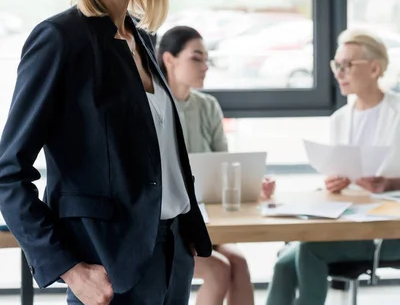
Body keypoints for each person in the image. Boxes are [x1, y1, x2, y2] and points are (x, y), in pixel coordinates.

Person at [0, 0, 212, 305]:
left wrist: (185, 230)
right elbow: (8, 173)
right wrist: (70, 269)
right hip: (109, 267)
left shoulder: (143, 40)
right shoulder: (60, 40)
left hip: (173, 257)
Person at [265, 28, 400, 305]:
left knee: (309, 250)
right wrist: (335, 184)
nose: (338, 73)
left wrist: (391, 183)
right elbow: (344, 175)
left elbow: (387, 182)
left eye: (347, 65)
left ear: (374, 69)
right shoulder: (340, 119)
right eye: (336, 65)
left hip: (389, 229)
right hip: (350, 223)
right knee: (283, 266)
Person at [158, 25, 275, 305]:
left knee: (240, 265)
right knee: (220, 269)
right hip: (172, 224)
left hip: (206, 219)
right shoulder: (156, 105)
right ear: (169, 59)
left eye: (206, 59)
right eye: (196, 58)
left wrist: (251, 185)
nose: (205, 67)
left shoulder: (207, 106)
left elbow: (225, 165)